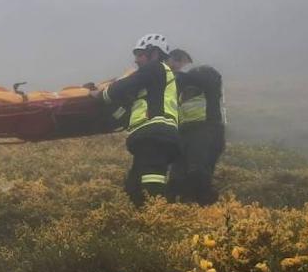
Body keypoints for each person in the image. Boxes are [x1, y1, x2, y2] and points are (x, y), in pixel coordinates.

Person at [92, 34, 181, 206]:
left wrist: (101, 95)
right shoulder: (152, 82)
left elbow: (127, 84)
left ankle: (160, 219)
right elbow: (127, 108)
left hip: (156, 135)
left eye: (140, 54)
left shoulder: (155, 68)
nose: (136, 60)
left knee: (151, 182)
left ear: (154, 53)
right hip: (151, 135)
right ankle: (141, 219)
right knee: (134, 186)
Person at [167, 49, 226, 205]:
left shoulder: (205, 73)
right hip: (186, 133)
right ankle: (180, 213)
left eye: (177, 60)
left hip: (207, 130)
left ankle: (205, 214)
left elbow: (209, 78)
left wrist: (176, 72)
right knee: (176, 179)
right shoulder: (180, 85)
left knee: (198, 173)